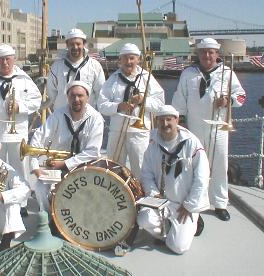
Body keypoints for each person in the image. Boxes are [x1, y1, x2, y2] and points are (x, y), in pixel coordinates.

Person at [172, 38, 246, 221]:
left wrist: (228, 101)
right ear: (198, 54)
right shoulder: (188, 73)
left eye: (210, 52)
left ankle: (220, 203)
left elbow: (242, 96)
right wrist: (179, 121)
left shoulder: (227, 73)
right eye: (203, 52)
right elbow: (180, 98)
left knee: (220, 166)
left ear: (217, 54)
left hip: (218, 127)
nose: (207, 55)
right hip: (194, 126)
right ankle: (195, 201)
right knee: (193, 165)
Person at [0, 44, 41, 214]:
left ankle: (21, 204)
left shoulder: (24, 78)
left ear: (14, 59)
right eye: (1, 59)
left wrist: (20, 106)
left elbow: (37, 100)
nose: (5, 62)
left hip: (17, 133)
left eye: (8, 59)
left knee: (19, 169)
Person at [137, 105, 209, 254]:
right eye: (161, 120)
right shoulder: (153, 144)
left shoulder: (192, 143)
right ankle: (171, 230)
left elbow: (201, 178)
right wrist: (154, 195)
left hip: (184, 205)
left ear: (176, 120)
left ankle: (190, 223)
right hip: (162, 203)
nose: (165, 124)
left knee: (178, 247)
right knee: (143, 219)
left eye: (168, 119)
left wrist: (190, 205)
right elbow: (147, 174)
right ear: (157, 122)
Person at [30, 81, 104, 212]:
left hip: (85, 167)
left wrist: (64, 163)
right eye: (72, 96)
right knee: (40, 187)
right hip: (58, 166)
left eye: (80, 96)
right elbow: (38, 138)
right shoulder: (58, 115)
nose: (76, 99)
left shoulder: (96, 118)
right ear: (67, 97)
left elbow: (92, 152)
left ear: (88, 97)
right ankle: (49, 219)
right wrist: (35, 167)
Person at [98, 43, 164, 179]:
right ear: (120, 60)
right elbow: (102, 105)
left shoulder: (147, 78)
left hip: (139, 132)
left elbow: (160, 105)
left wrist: (142, 100)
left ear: (138, 59)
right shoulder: (113, 80)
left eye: (132, 58)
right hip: (117, 131)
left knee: (141, 168)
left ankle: (142, 196)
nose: (129, 62)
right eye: (125, 58)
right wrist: (118, 106)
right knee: (113, 167)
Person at [47, 28, 105, 110]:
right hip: (62, 115)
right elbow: (51, 93)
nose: (75, 47)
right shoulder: (57, 67)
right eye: (71, 44)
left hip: (87, 116)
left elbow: (101, 92)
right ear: (67, 45)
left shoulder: (95, 66)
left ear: (84, 44)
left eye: (78, 44)